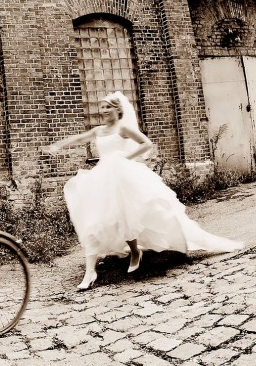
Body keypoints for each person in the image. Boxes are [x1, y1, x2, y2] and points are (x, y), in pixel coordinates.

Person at [43, 91, 243, 291]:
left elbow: (146, 143)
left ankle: (135, 252)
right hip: (102, 178)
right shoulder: (98, 131)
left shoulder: (123, 128)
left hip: (123, 175)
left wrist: (126, 158)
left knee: (127, 216)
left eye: (108, 107)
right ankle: (90, 272)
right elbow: (79, 138)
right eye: (102, 107)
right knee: (94, 221)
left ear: (117, 109)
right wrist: (57, 145)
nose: (103, 110)